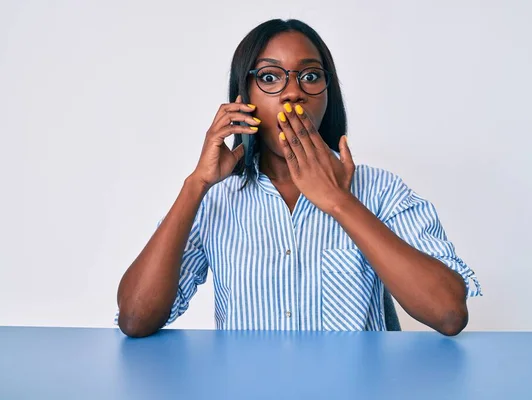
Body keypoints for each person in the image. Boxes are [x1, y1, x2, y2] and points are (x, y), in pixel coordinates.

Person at [116, 18, 481, 338]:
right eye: (270, 77)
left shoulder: (381, 189)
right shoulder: (215, 199)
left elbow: (448, 313)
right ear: (244, 98)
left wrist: (340, 202)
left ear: (328, 93)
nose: (293, 92)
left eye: (310, 76)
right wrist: (196, 183)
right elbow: (136, 318)